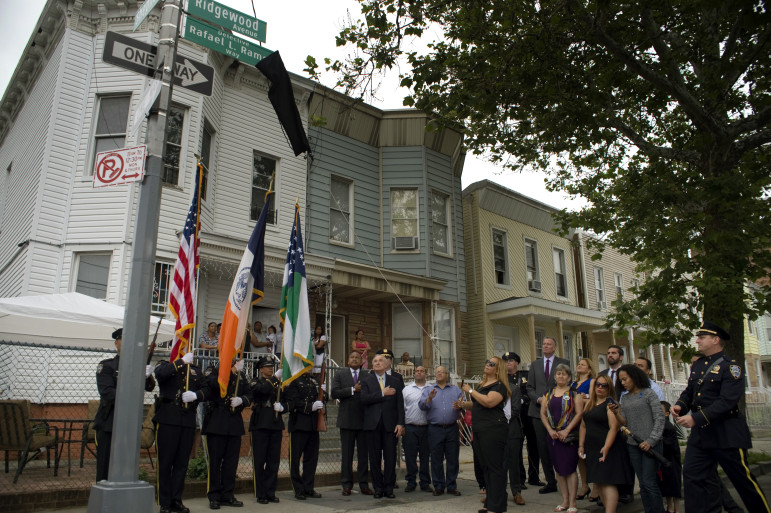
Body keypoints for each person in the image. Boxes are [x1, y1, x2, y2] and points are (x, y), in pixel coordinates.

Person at [673, 321, 769, 513]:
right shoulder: (699, 365)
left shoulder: (731, 367)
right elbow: (690, 391)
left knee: (742, 480)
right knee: (692, 476)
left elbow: (727, 402)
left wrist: (696, 418)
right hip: (702, 436)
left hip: (727, 434)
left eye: (702, 337)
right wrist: (680, 405)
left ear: (715, 340)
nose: (697, 340)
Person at [93, 328, 156, 482]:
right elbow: (107, 392)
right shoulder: (107, 366)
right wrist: (132, 395)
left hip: (130, 423)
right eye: (123, 339)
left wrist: (147, 376)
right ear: (116, 343)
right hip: (110, 421)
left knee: (127, 465)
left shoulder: (137, 365)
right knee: (105, 466)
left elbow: (149, 387)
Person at [609, 364, 665, 513]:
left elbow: (659, 418)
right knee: (642, 484)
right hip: (633, 445)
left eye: (625, 379)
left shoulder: (648, 393)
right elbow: (625, 422)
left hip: (650, 445)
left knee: (649, 482)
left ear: (634, 377)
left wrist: (651, 440)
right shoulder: (625, 398)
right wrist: (616, 413)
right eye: (620, 381)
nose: (623, 383)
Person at [154, 351, 204, 513]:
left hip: (187, 419)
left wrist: (196, 395)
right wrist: (181, 362)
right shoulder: (165, 365)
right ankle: (165, 502)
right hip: (168, 418)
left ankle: (177, 500)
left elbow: (207, 389)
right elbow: (160, 374)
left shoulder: (196, 370)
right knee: (166, 462)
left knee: (182, 464)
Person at [461, 356, 510, 513]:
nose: (487, 365)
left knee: (495, 467)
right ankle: (490, 502)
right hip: (480, 429)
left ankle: (498, 506)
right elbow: (477, 404)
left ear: (498, 369)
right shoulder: (483, 385)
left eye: (491, 364)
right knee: (486, 467)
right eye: (486, 362)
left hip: (493, 429)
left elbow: (489, 402)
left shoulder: (500, 386)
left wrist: (470, 390)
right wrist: (463, 404)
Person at [201, 358, 251, 510]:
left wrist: (242, 399)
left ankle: (228, 495)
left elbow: (250, 394)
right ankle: (214, 496)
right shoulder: (213, 371)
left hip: (234, 422)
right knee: (215, 462)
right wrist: (232, 371)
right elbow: (213, 385)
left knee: (231, 462)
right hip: (217, 421)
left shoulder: (241, 376)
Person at [578, 374, 633, 513]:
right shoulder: (589, 403)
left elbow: (614, 428)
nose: (600, 388)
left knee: (608, 482)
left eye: (604, 386)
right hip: (592, 447)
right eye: (598, 385)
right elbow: (583, 426)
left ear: (609, 389)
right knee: (599, 481)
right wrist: (581, 445)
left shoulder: (610, 404)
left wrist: (606, 447)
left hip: (608, 447)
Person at [526, 337, 568, 494]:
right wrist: (538, 399)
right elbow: (529, 387)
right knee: (543, 448)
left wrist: (552, 399)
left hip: (558, 412)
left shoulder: (563, 362)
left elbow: (567, 383)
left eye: (549, 344)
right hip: (537, 412)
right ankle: (551, 481)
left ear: (555, 347)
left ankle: (564, 478)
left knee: (559, 448)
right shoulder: (535, 364)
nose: (545, 346)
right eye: (543, 344)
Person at [360, 353, 405, 498]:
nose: (378, 363)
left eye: (381, 360)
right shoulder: (366, 381)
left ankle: (389, 488)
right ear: (372, 365)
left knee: (391, 457)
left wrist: (400, 423)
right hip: (372, 425)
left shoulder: (395, 381)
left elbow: (400, 405)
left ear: (387, 364)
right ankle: (378, 488)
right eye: (375, 361)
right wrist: (382, 393)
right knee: (374, 458)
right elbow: (364, 399)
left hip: (390, 425)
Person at [540, 363, 583, 513]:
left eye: (564, 374)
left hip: (568, 436)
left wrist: (567, 430)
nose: (561, 376)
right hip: (553, 436)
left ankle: (572, 501)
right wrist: (550, 430)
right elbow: (543, 414)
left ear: (569, 377)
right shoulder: (549, 393)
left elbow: (578, 414)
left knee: (570, 469)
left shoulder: (574, 393)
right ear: (555, 376)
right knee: (558, 469)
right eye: (558, 373)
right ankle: (564, 500)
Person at [330, 351, 373, 496]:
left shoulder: (367, 375)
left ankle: (363, 484)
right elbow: (334, 393)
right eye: (352, 357)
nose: (354, 359)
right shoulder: (340, 374)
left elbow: (371, 393)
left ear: (362, 362)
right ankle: (346, 485)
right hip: (346, 421)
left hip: (363, 422)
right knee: (347, 455)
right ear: (348, 361)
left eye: (357, 358)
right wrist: (353, 390)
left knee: (363, 456)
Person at [419, 366, 463, 496]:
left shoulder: (455, 390)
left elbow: (463, 405)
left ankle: (451, 486)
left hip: (452, 428)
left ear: (447, 375)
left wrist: (459, 406)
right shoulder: (429, 389)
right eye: (436, 372)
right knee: (436, 459)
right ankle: (438, 486)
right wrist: (429, 398)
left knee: (452, 458)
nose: (438, 374)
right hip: (435, 429)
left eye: (441, 372)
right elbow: (421, 406)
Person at [597, 344, 632, 504]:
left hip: (623, 417)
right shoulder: (603, 374)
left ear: (621, 356)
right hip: (605, 418)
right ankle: (610, 492)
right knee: (610, 456)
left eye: (614, 353)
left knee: (624, 456)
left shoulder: (627, 373)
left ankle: (626, 491)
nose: (610, 355)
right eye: (608, 353)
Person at [248, 357, 285, 504]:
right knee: (259, 460)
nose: (270, 369)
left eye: (272, 366)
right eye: (267, 366)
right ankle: (260, 493)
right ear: (261, 369)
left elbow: (285, 397)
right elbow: (262, 391)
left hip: (275, 423)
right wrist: (275, 378)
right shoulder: (255, 381)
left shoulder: (278, 383)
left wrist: (282, 407)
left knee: (273, 461)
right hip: (260, 423)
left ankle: (270, 491)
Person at [284, 369, 325, 500]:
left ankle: (309, 487)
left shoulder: (314, 380)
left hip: (313, 425)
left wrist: (323, 393)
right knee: (295, 459)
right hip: (299, 424)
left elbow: (324, 398)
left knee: (311, 459)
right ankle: (298, 488)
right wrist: (310, 406)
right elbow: (293, 401)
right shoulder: (293, 380)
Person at [402, 365, 432, 492]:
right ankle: (411, 482)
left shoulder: (431, 389)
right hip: (410, 428)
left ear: (426, 374)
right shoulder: (406, 389)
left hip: (427, 428)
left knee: (425, 457)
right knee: (410, 457)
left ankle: (425, 483)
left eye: (422, 371)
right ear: (414, 374)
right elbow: (401, 409)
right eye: (417, 371)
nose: (419, 373)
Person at [501, 352, 526, 505]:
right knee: (498, 464)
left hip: (512, 428)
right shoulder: (495, 388)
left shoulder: (514, 388)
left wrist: (503, 419)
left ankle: (516, 492)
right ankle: (497, 492)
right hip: (497, 430)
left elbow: (516, 409)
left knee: (514, 463)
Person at [573, 358, 595, 500]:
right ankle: (585, 485)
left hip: (588, 419)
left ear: (589, 369)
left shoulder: (592, 382)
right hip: (575, 420)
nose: (579, 366)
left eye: (583, 364)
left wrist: (581, 398)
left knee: (591, 454)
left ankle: (597, 488)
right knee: (580, 456)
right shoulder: (574, 384)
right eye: (578, 363)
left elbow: (594, 398)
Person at [658, 401, 681, 513]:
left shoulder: (667, 426)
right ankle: (670, 507)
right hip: (665, 461)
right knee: (668, 487)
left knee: (674, 487)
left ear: (666, 414)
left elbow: (669, 445)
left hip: (671, 461)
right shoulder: (659, 426)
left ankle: (675, 508)